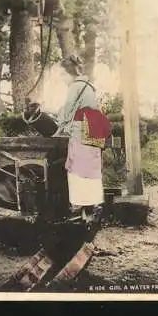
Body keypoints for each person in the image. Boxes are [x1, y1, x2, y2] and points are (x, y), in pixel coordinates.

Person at [53, 55, 111, 224]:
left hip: (81, 130)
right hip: (93, 129)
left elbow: (68, 112)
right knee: (91, 168)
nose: (63, 79)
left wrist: (59, 124)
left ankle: (78, 209)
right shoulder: (89, 87)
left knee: (78, 169)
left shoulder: (75, 87)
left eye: (63, 75)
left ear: (70, 73)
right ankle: (92, 208)